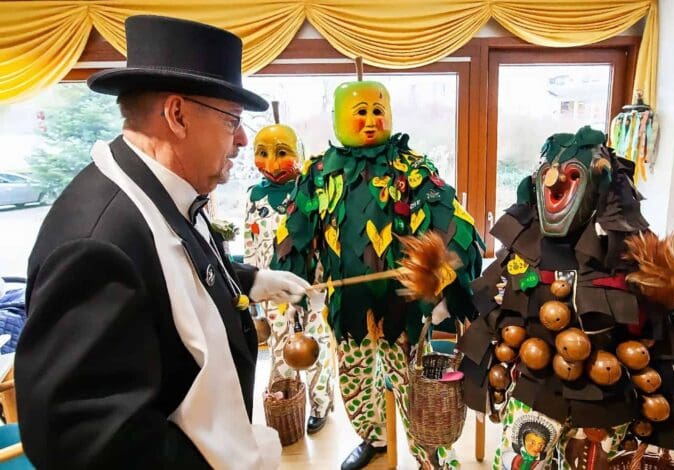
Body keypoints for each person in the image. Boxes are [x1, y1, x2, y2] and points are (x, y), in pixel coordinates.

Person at [15, 15, 310, 469]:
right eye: (232, 120)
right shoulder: (97, 244)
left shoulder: (160, 189)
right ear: (177, 115)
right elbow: (86, 443)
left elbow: (174, 268)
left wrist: (252, 281)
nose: (240, 139)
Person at [272, 76, 483, 469]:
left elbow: (448, 219)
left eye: (377, 111)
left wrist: (442, 265)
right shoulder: (318, 172)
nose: (370, 121)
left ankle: (428, 453)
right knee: (355, 383)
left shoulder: (411, 167)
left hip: (402, 304)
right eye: (360, 112)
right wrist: (292, 278)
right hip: (347, 305)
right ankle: (376, 439)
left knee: (413, 385)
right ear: (338, 117)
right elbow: (297, 230)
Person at [458, 126, 674, 469]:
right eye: (548, 175)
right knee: (520, 461)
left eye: (572, 174)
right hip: (535, 390)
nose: (556, 183)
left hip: (606, 396)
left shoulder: (630, 249)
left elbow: (657, 334)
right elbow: (493, 303)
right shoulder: (525, 244)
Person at [244, 105, 334, 434]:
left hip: (312, 285)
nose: (271, 162)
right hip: (271, 286)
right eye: (262, 153)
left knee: (316, 341)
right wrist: (253, 285)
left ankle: (321, 404)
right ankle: (283, 397)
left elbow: (328, 239)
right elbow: (251, 241)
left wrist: (324, 284)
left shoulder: (313, 193)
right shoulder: (255, 195)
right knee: (280, 341)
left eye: (281, 153)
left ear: (298, 153)